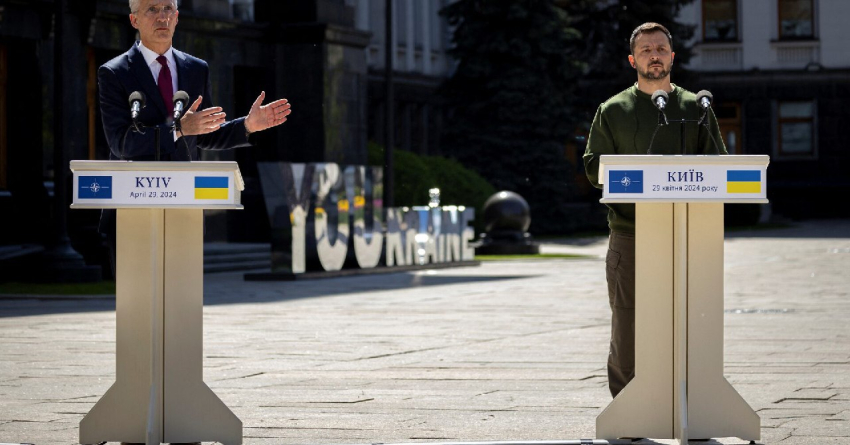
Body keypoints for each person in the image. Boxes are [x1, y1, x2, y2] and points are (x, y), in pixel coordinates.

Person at [582, 22, 727, 398]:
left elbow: (720, 167)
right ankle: (627, 406)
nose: (655, 56)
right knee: (627, 326)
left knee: (690, 322)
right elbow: (594, 167)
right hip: (631, 235)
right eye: (646, 50)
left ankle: (690, 404)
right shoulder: (613, 110)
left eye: (661, 49)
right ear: (633, 60)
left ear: (672, 56)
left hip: (687, 235)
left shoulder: (697, 107)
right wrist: (636, 176)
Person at [98, 0, 292, 271]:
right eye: (152, 9)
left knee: (181, 293)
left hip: (184, 208)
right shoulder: (114, 72)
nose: (162, 17)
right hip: (132, 208)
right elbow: (121, 143)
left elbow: (203, 134)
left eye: (168, 9)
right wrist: (178, 129)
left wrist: (247, 126)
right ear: (134, 20)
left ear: (177, 17)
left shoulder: (195, 69)